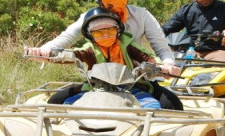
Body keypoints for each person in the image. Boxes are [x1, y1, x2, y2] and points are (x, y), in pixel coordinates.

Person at [25, 0, 180, 76]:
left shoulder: (142, 15)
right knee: (58, 100)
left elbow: (161, 48)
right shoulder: (90, 18)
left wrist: (167, 65)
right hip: (100, 78)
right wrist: (44, 50)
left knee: (169, 103)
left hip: (137, 76)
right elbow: (67, 38)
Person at [46, 7, 183, 110]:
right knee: (61, 103)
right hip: (96, 87)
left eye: (109, 31)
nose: (105, 35)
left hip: (130, 86)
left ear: (118, 31)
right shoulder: (89, 49)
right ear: (90, 35)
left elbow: (147, 58)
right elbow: (74, 55)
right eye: (99, 33)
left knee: (153, 106)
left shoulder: (128, 45)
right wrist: (49, 56)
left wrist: (162, 67)